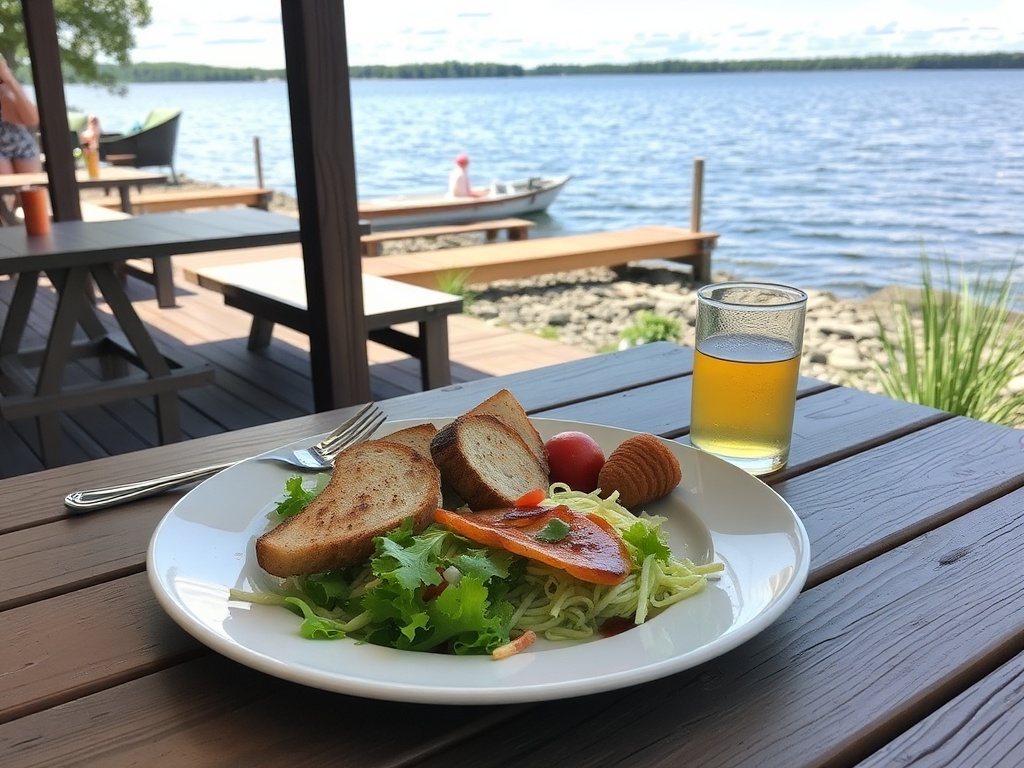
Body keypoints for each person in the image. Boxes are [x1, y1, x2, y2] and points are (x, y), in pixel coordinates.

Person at [0, 55, 41, 173]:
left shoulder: (7, 85)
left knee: (32, 189)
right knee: (7, 190)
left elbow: (32, 120)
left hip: (19, 139)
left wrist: (10, 81)